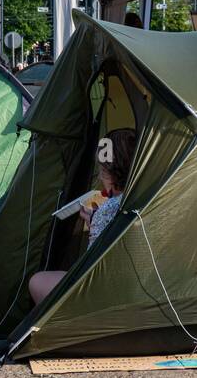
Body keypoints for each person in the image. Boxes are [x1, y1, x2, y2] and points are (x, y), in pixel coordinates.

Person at [29, 128, 137, 306]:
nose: (100, 176)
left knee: (37, 281)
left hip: (105, 291)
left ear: (111, 172)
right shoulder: (147, 194)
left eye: (102, 171)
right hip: (138, 284)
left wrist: (92, 221)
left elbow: (93, 264)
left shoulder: (105, 210)